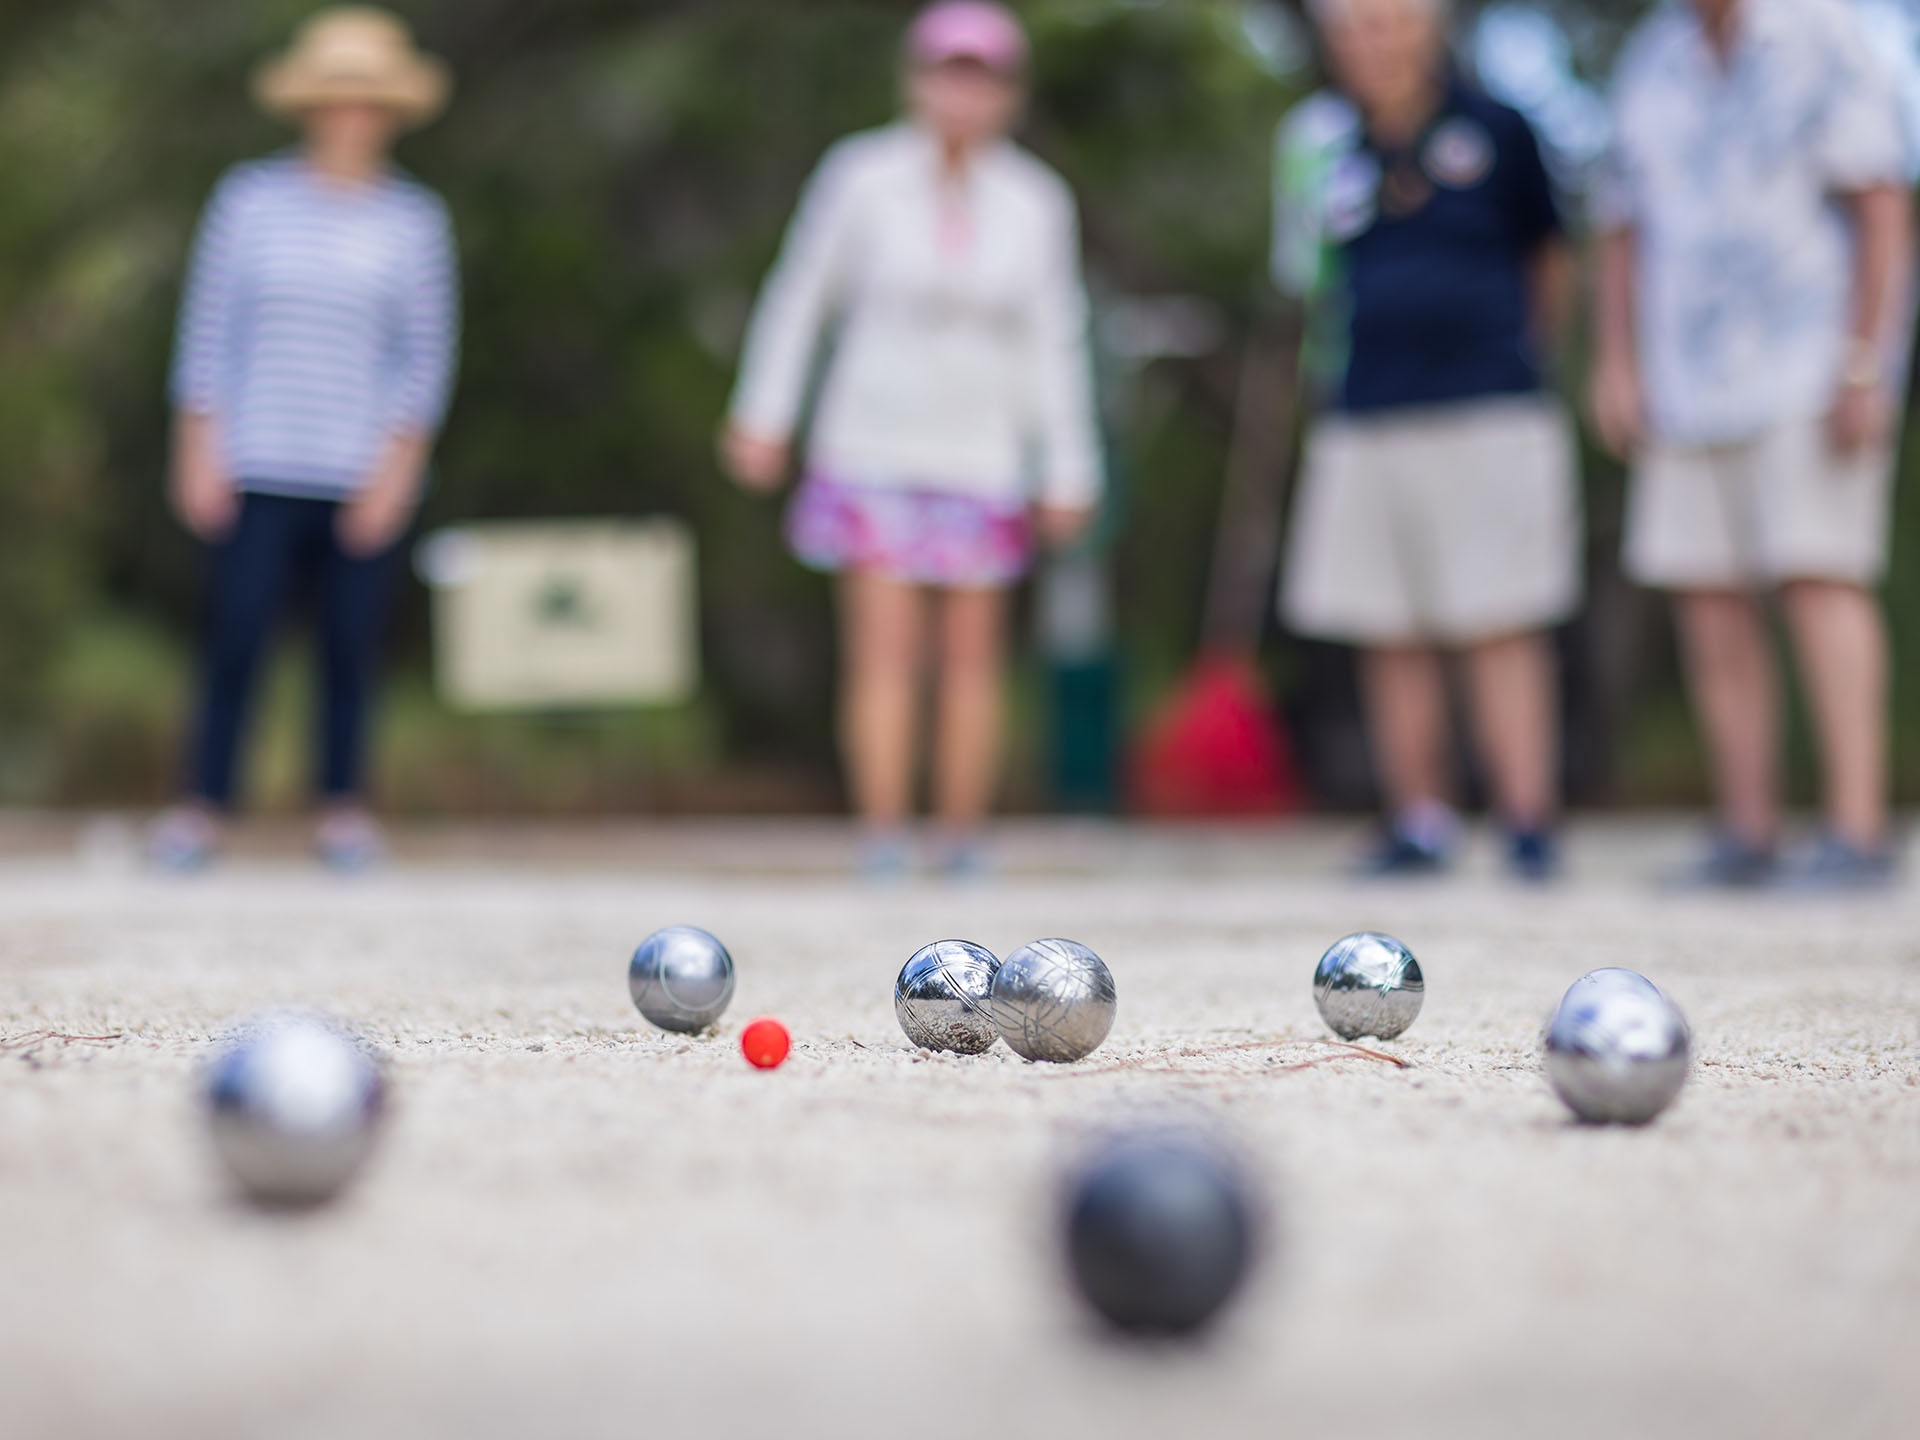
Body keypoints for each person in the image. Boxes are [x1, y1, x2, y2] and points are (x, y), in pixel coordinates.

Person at [721, 2, 1101, 878]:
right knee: (884, 656)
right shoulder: (860, 176)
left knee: (971, 661)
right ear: (915, 81)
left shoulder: (1036, 200)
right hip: (873, 440)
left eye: (983, 78)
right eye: (947, 73)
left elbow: (1057, 338)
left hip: (984, 449)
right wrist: (763, 412)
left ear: (1011, 93)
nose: (963, 95)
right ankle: (884, 836)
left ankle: (960, 837)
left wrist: (1068, 467)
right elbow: (800, 296)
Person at [1589, 0, 1912, 888]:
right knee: (1708, 596)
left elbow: (1883, 205)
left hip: (1806, 366)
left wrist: (1864, 363)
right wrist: (1616, 361)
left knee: (1819, 576)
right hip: (1686, 378)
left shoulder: (1824, 34)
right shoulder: (1652, 59)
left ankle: (1856, 831)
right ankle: (1748, 831)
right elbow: (1620, 226)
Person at [1273, 0, 1580, 879]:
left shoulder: (1498, 128)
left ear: (1427, 28)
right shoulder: (1323, 146)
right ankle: (1420, 820)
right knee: (1387, 622)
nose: (1373, 44)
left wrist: (1525, 354)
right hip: (1366, 408)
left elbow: (1551, 257)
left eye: (1389, 23)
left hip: (1488, 404)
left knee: (1500, 616)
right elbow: (1309, 279)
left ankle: (1526, 821)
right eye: (1354, 29)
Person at [148, 7, 459, 871]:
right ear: (311, 107)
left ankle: (342, 811)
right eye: (337, 98)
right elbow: (208, 331)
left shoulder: (415, 220)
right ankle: (202, 808)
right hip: (255, 458)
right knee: (235, 635)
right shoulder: (248, 201)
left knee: (350, 646)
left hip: (359, 467)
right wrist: (195, 446)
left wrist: (398, 470)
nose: (350, 115)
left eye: (367, 101)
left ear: (389, 113)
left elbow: (424, 356)